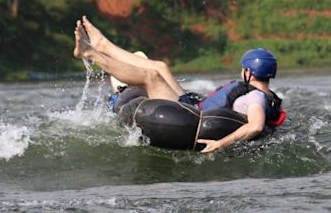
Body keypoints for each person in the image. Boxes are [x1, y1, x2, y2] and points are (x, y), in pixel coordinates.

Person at [73, 16, 285, 153]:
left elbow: (256, 126)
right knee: (160, 67)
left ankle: (92, 54)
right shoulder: (262, 94)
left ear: (247, 72)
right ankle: (104, 45)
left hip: (190, 114)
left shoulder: (255, 97)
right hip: (194, 105)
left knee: (151, 77)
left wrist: (219, 144)